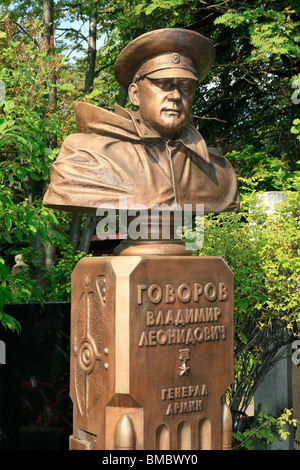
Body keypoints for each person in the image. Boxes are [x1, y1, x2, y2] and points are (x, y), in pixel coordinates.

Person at [43, 28, 239, 214]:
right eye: (164, 84)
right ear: (135, 94)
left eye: (185, 88)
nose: (175, 96)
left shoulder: (217, 169)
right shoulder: (86, 154)